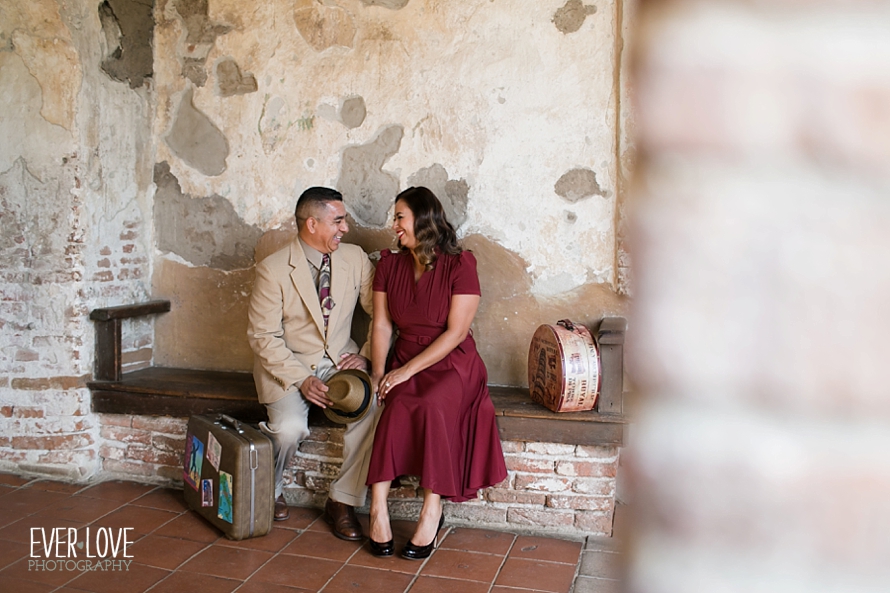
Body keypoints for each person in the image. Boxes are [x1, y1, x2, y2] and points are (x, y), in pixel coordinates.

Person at [365, 186, 507, 559]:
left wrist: (407, 371)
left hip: (452, 362)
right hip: (404, 357)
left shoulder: (461, 265)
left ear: (423, 219)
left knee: (431, 404)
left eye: (400, 217)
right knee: (393, 406)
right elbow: (381, 326)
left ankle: (433, 509)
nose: (394, 225)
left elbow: (456, 332)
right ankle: (377, 508)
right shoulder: (388, 264)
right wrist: (380, 374)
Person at [247, 186, 378, 541]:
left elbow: (381, 315)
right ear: (311, 224)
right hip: (287, 366)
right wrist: (301, 379)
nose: (345, 229)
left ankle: (342, 500)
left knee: (372, 408)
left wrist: (365, 353)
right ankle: (270, 489)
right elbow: (263, 337)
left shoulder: (355, 259)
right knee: (290, 428)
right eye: (338, 221)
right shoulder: (272, 270)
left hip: (340, 362)